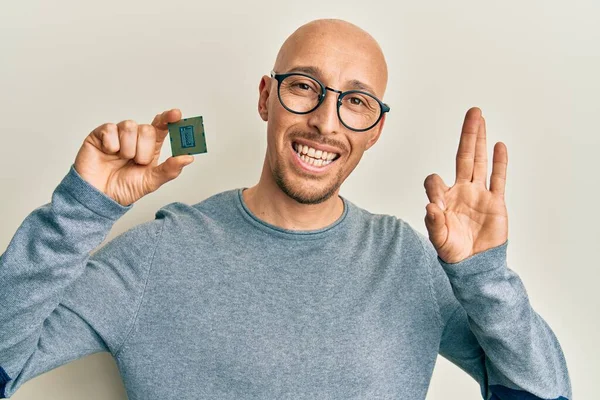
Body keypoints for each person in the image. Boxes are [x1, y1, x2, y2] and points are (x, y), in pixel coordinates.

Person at [0, 18, 571, 400]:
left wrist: (485, 278)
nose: (326, 121)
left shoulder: (405, 261)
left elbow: (543, 393)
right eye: (304, 87)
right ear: (266, 98)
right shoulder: (157, 256)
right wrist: (80, 209)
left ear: (374, 132)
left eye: (356, 101)